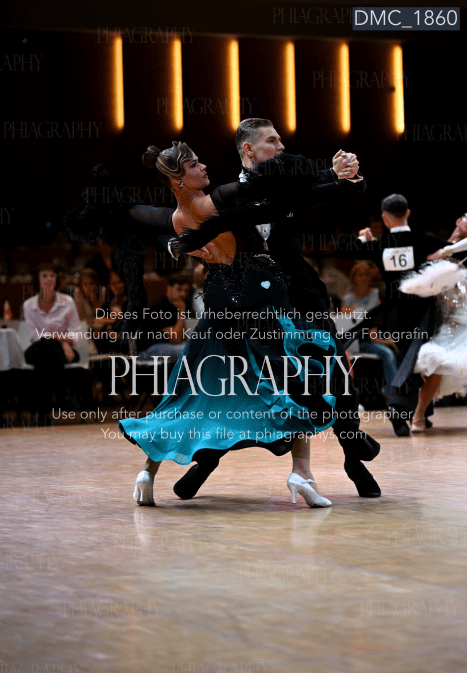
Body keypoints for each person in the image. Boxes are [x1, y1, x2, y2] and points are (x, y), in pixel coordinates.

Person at [113, 142, 347, 508]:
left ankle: (147, 473)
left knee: (190, 394)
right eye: (194, 164)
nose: (204, 166)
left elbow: (132, 215)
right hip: (259, 295)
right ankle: (301, 473)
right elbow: (273, 187)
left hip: (220, 302)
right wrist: (330, 174)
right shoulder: (216, 200)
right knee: (293, 378)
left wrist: (173, 244)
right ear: (178, 180)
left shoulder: (175, 218)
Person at [174, 118, 381, 501]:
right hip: (248, 295)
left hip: (299, 290)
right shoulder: (225, 196)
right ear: (248, 149)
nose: (282, 147)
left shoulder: (291, 184)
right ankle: (206, 461)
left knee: (334, 364)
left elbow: (337, 190)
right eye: (272, 141)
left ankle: (353, 455)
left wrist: (351, 176)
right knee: (231, 380)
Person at [336, 194, 464, 435]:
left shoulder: (381, 244)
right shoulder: (423, 241)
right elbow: (454, 252)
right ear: (408, 213)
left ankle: (418, 412)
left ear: (385, 219)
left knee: (413, 359)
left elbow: (342, 249)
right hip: (422, 313)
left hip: (394, 314)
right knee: (415, 360)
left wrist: (363, 238)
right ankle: (398, 405)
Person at [409, 227, 467, 430]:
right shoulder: (435, 257)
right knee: (434, 364)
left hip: (460, 321)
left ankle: (419, 415)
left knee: (441, 363)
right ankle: (419, 413)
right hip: (437, 320)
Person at [23, 263, 81, 424]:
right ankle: (62, 395)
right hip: (39, 348)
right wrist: (60, 341)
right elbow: (34, 336)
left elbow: (76, 332)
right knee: (47, 346)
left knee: (46, 359)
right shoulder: (29, 305)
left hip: (58, 352)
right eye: (44, 276)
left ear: (57, 279)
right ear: (37, 279)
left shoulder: (67, 301)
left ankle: (44, 414)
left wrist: (60, 341)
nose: (49, 279)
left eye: (52, 275)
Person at [342, 261, 399, 390]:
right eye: (360, 275)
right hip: (351, 342)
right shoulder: (347, 299)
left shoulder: (376, 295)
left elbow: (374, 332)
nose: (364, 278)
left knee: (389, 353)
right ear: (353, 278)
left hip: (369, 341)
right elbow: (344, 325)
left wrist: (389, 342)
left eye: (367, 275)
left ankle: (393, 392)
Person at [137, 274, 191, 362]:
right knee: (189, 350)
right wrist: (181, 311)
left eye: (186, 291)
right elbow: (176, 339)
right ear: (169, 288)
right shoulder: (160, 306)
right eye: (179, 289)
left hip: (169, 346)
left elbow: (182, 335)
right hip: (149, 349)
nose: (183, 294)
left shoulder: (183, 303)